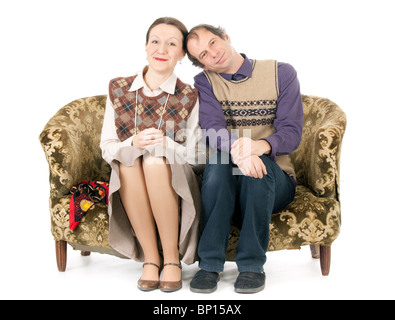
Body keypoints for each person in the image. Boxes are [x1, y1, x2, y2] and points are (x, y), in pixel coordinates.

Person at [186, 24, 304, 293]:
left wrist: (257, 147)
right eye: (203, 55)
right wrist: (242, 150)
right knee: (218, 165)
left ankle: (251, 266)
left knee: (256, 171)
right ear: (201, 64)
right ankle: (209, 264)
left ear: (226, 37)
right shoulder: (206, 83)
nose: (213, 54)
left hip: (277, 181)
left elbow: (292, 133)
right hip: (227, 177)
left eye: (213, 43)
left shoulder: (281, 73)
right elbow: (213, 130)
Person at [100, 17, 203, 292]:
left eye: (172, 44)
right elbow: (107, 147)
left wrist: (167, 144)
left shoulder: (189, 96)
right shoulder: (118, 88)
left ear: (182, 54)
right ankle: (151, 258)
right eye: (155, 41)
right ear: (146, 47)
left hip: (174, 178)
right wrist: (133, 141)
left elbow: (196, 155)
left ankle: (171, 259)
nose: (162, 49)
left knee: (156, 160)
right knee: (129, 159)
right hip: (129, 176)